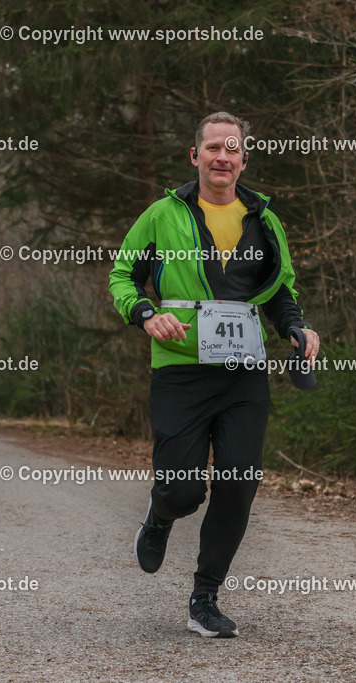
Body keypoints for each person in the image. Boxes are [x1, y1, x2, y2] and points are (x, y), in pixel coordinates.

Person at [109, 112, 320, 638]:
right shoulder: (162, 214)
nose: (222, 157)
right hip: (180, 373)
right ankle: (159, 517)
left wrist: (297, 328)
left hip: (243, 376)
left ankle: (204, 598)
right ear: (195, 155)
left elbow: (280, 292)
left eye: (233, 149)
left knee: (238, 483)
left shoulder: (265, 221)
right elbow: (121, 275)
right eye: (212, 148)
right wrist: (144, 314)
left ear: (244, 159)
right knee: (182, 491)